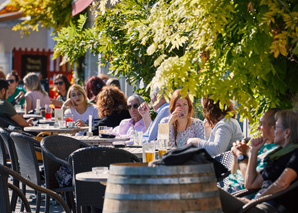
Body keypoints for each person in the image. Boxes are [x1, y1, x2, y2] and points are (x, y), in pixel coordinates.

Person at [219, 110, 298, 212]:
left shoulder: (295, 154)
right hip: (257, 204)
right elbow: (250, 183)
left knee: (211, 195)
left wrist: (255, 200)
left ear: (286, 133)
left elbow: (282, 183)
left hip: (269, 207)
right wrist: (254, 151)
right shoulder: (277, 156)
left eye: (276, 127)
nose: (274, 131)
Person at [225, 108, 280, 193]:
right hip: (229, 189)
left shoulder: (273, 153)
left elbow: (250, 182)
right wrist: (237, 156)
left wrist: (241, 155)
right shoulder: (262, 148)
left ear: (273, 129)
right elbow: (234, 174)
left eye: (261, 124)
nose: (258, 128)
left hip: (239, 195)